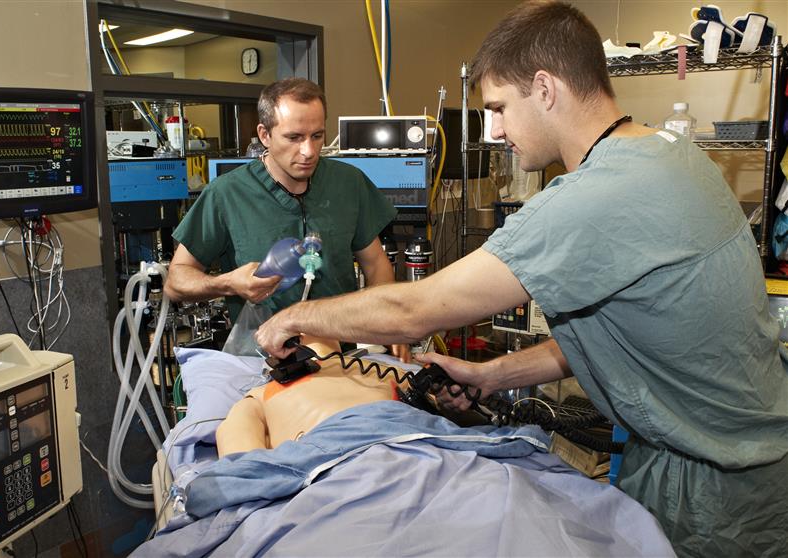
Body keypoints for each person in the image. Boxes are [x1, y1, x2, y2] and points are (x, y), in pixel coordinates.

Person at [255, 2, 788, 556]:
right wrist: (491, 373)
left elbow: (417, 311)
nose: (497, 129)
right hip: (747, 453)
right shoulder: (670, 154)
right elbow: (622, 335)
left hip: (715, 491)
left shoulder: (599, 196)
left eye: (500, 107)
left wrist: (294, 316)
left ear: (545, 87)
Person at [164, 77, 409, 361]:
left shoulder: (348, 183)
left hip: (339, 356)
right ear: (264, 135)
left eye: (317, 136)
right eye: (294, 138)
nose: (308, 151)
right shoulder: (227, 194)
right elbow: (176, 281)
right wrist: (229, 283)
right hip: (262, 360)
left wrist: (387, 324)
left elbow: (376, 264)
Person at [215, 336, 410, 458]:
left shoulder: (387, 370)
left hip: (406, 443)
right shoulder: (261, 394)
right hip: (335, 460)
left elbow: (241, 464)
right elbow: (241, 461)